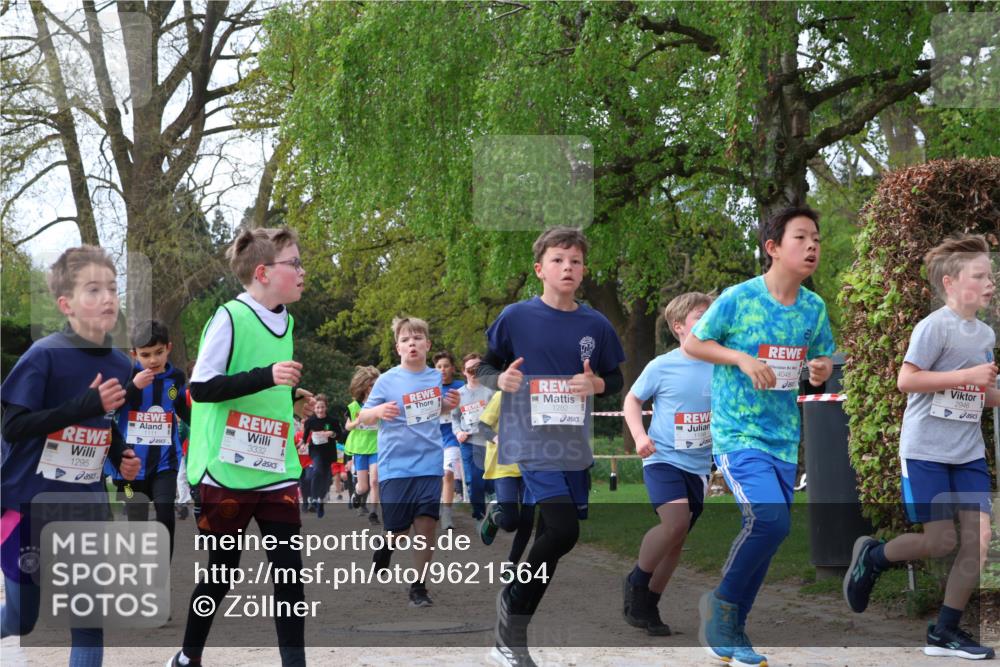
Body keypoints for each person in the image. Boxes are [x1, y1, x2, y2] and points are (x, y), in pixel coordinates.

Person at [684, 206, 834, 667]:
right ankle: (720, 608)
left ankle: (733, 624)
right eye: (801, 237)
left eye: (816, 238)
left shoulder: (814, 307)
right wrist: (741, 359)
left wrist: (820, 369)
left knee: (772, 530)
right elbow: (694, 343)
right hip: (738, 433)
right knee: (771, 521)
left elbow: (822, 360)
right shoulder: (739, 297)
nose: (812, 246)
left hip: (784, 438)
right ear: (773, 247)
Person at [844, 234, 997, 660]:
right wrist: (967, 378)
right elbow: (907, 381)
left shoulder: (984, 333)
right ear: (950, 283)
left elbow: (983, 394)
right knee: (940, 542)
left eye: (992, 276)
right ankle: (874, 556)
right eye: (980, 276)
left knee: (980, 541)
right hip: (926, 449)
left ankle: (945, 630)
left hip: (968, 453)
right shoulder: (933, 327)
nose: (990, 284)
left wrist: (988, 385)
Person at [168, 227, 315, 667]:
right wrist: (268, 376)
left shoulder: (286, 319)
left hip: (274, 467)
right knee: (221, 572)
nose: (303, 271)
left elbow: (260, 383)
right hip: (225, 469)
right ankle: (187, 656)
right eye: (295, 263)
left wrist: (289, 396)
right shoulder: (229, 317)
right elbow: (203, 387)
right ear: (263, 272)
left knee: (290, 571)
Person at [478, 226, 625, 667]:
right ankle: (511, 619)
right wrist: (498, 379)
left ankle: (511, 624)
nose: (568, 267)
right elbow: (485, 364)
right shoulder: (516, 317)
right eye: (559, 260)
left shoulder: (595, 324)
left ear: (583, 271)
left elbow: (614, 380)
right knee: (563, 530)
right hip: (529, 439)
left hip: (572, 445)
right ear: (540, 269)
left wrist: (597, 383)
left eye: (576, 261)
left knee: (552, 539)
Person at [1, 245, 140, 665]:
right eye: (93, 289)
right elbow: (13, 427)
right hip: (28, 505)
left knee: (88, 618)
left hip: (84, 505)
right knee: (23, 618)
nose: (108, 298)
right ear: (66, 304)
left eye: (113, 288)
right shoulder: (43, 355)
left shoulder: (121, 363)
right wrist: (85, 405)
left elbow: (101, 423)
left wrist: (120, 453)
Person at [622, 292, 714, 636]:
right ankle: (636, 581)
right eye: (699, 317)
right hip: (662, 457)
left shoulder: (721, 364)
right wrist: (639, 435)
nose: (708, 322)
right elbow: (632, 399)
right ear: (679, 327)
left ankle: (648, 604)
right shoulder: (662, 365)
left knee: (676, 540)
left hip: (699, 464)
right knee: (675, 523)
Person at [359, 317, 460, 607]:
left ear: (427, 344)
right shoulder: (387, 380)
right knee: (399, 532)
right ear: (398, 347)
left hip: (429, 462)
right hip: (395, 465)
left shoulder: (434, 377)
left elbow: (434, 407)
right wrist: (378, 410)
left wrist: (446, 404)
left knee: (427, 524)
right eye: (405, 340)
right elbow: (362, 418)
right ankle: (387, 546)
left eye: (417, 338)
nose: (411, 343)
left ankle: (419, 586)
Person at [110, 319, 190, 558]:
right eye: (145, 355)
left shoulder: (175, 378)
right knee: (137, 521)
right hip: (130, 466)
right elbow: (110, 408)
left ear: (169, 348)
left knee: (165, 514)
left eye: (159, 352)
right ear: (134, 354)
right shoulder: (125, 374)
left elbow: (179, 406)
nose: (153, 360)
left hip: (165, 463)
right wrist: (133, 386)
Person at [477, 391, 536, 575]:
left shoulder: (542, 395)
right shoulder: (502, 396)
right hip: (504, 467)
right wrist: (497, 438)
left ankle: (511, 563)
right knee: (511, 522)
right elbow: (483, 426)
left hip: (533, 467)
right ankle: (495, 515)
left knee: (527, 519)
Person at [452, 353, 496, 529]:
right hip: (469, 441)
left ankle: (493, 504)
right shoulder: (459, 395)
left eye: (478, 368)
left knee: (490, 479)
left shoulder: (490, 391)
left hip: (489, 442)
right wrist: (458, 433)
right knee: (474, 479)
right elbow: (454, 418)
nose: (474, 372)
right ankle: (479, 514)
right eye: (470, 370)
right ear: (464, 372)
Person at [434, 351, 465, 529]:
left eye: (446, 366)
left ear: (452, 368)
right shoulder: (430, 389)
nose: (443, 369)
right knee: (435, 476)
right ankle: (436, 505)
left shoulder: (461, 386)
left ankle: (446, 514)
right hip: (432, 439)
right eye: (439, 367)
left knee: (448, 473)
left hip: (452, 437)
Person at [345, 366, 381, 525]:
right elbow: (347, 427)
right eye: (372, 384)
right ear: (365, 386)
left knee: (375, 480)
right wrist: (358, 420)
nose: (374, 387)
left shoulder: (381, 402)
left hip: (377, 444)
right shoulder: (354, 406)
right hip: (360, 447)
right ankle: (357, 494)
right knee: (363, 486)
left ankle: (373, 513)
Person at [301, 394, 345, 518]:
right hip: (315, 451)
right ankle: (314, 499)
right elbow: (305, 435)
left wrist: (331, 433)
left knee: (326, 478)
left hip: (329, 452)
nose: (320, 410)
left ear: (326, 408)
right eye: (317, 407)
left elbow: (340, 436)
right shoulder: (310, 421)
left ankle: (320, 502)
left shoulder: (332, 421)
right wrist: (304, 443)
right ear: (314, 408)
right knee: (317, 470)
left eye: (322, 407)